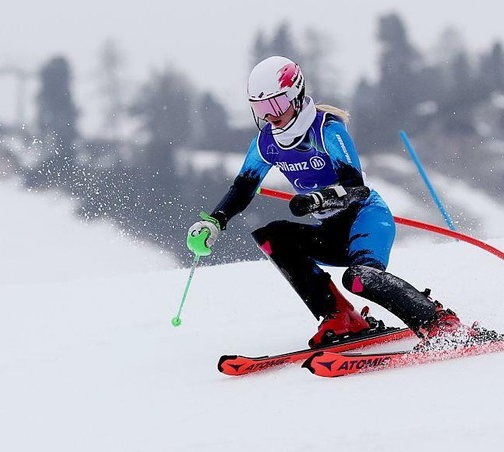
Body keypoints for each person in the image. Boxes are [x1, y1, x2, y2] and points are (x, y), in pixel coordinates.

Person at [187, 55, 488, 349]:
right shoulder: (266, 142)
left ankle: (439, 322)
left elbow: (355, 188)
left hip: (366, 219)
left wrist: (318, 198)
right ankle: (340, 317)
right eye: (260, 108)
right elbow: (244, 186)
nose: (269, 115)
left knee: (359, 278)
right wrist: (215, 221)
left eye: (275, 104)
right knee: (272, 236)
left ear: (296, 95)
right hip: (331, 230)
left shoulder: (326, 129)